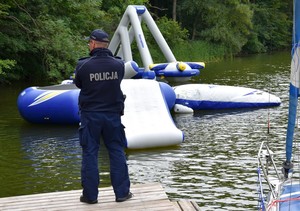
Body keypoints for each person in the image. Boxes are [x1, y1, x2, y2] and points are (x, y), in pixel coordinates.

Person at [74, 29, 132, 204]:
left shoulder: (83, 65)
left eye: (89, 43)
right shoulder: (118, 64)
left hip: (90, 116)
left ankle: (90, 196)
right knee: (116, 151)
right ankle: (122, 194)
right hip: (113, 116)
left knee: (90, 153)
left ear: (92, 44)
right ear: (106, 45)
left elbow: (78, 84)